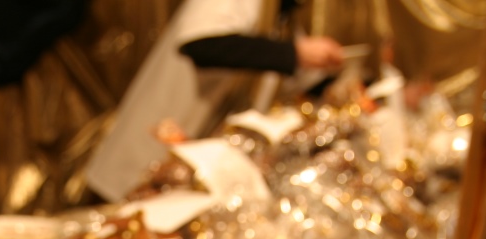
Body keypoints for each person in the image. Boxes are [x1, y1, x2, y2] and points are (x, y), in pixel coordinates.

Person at [84, 0, 344, 203]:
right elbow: (201, 43)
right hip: (150, 151)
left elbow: (277, 74)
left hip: (191, 168)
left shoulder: (280, 14)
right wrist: (293, 53)